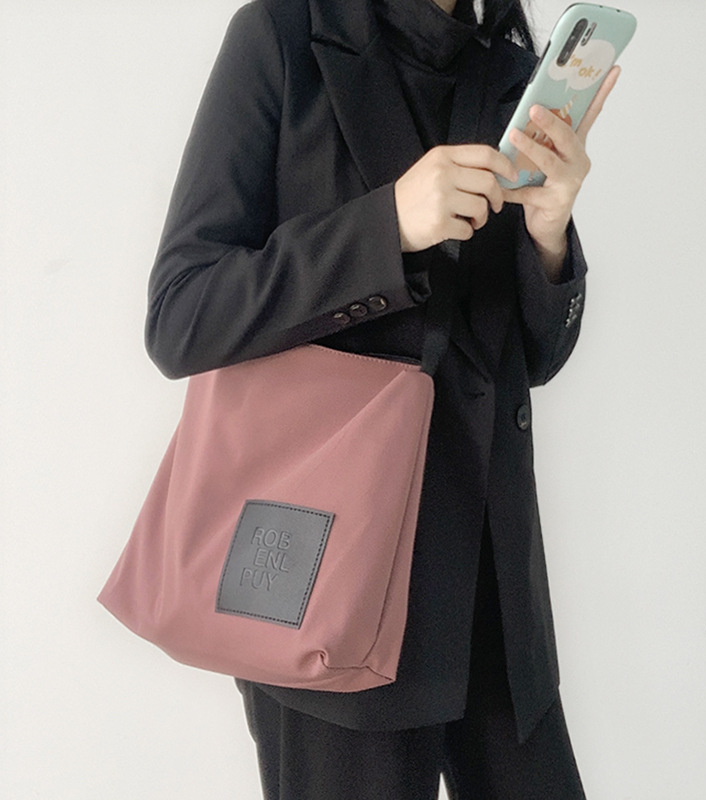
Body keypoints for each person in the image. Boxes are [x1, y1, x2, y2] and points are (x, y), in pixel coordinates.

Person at [145, 0, 619, 796]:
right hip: (332, 582)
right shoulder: (283, 38)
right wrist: (385, 226)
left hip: (493, 591)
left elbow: (530, 361)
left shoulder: (507, 68)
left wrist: (549, 235)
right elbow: (181, 314)